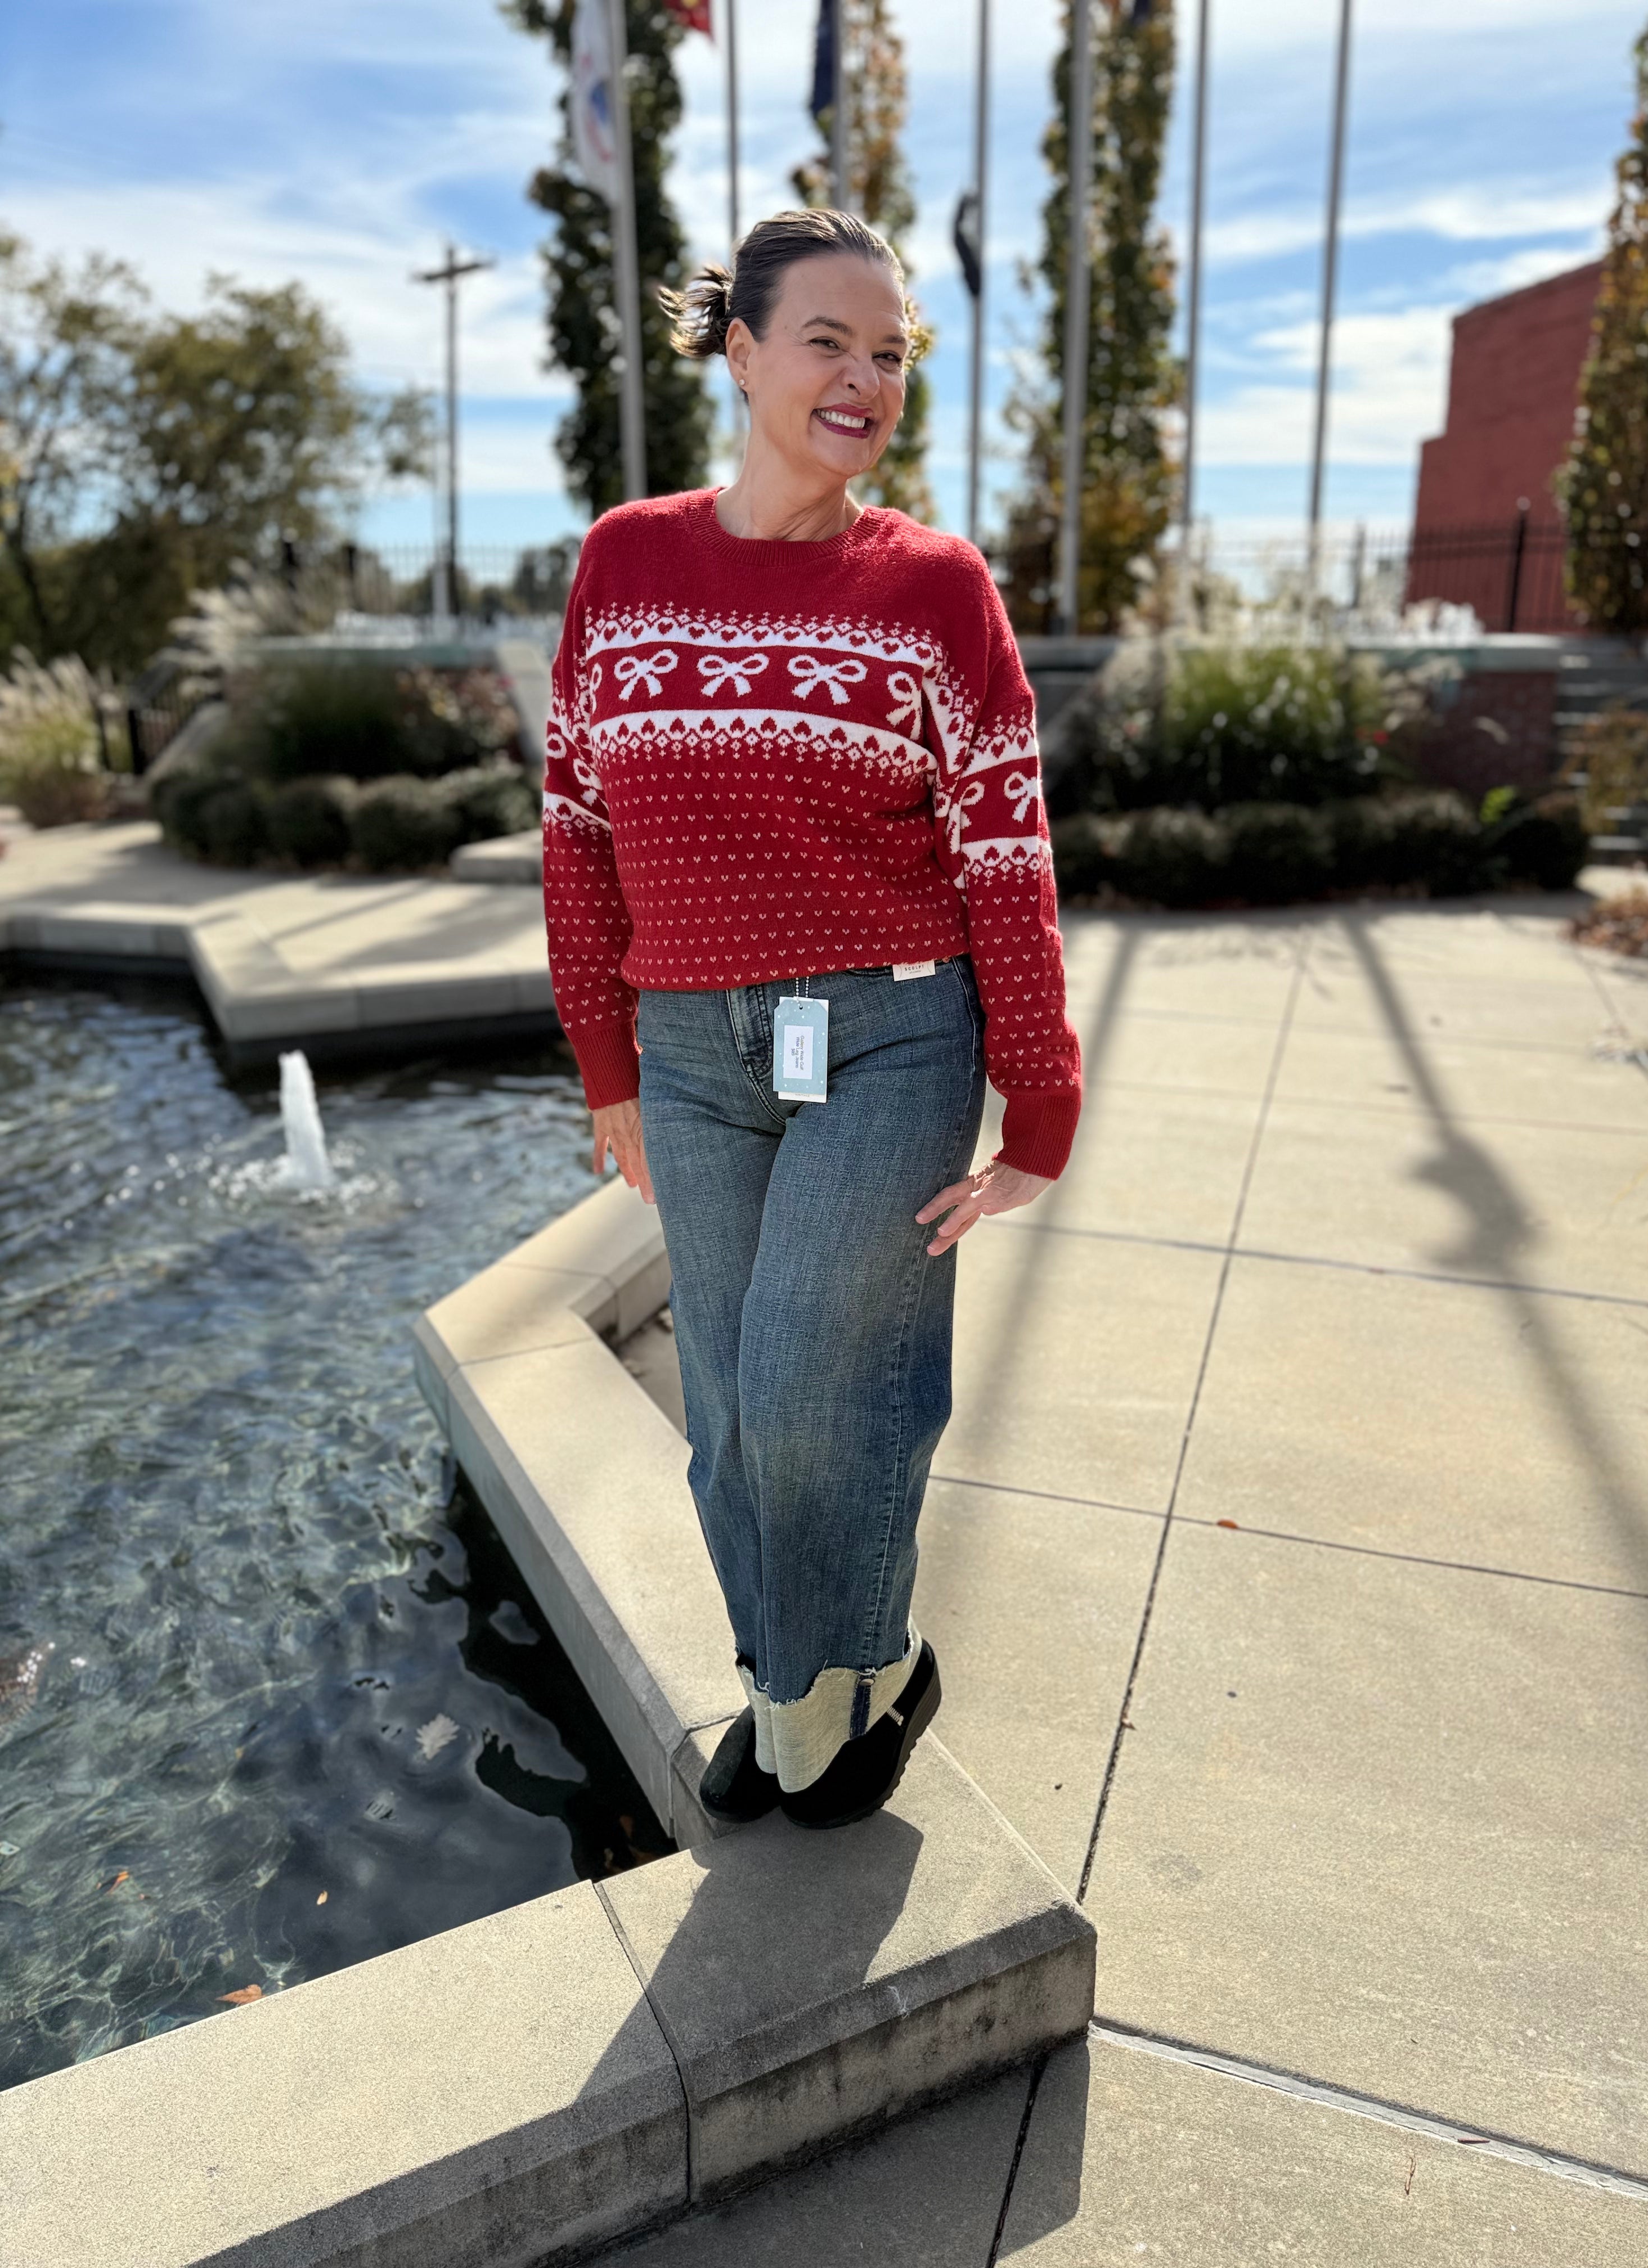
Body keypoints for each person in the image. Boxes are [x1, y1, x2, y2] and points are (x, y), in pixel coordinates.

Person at [542, 208, 1081, 1832]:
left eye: (892, 353)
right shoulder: (624, 560)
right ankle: (796, 1688)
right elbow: (577, 823)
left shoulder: (933, 588)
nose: (865, 379)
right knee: (723, 1411)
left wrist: (1037, 1099)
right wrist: (607, 1055)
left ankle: (865, 1665)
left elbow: (1005, 839)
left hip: (893, 1037)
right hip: (695, 1055)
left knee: (806, 1382)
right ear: (743, 347)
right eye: (830, 342)